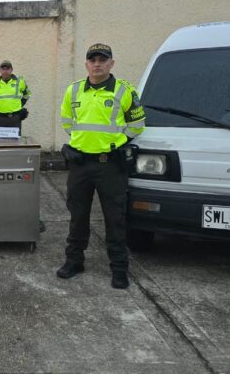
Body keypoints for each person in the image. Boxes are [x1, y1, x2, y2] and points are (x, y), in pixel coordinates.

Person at [57, 43, 146, 289]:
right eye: (92, 60)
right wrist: (78, 143)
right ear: (86, 64)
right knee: (78, 216)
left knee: (114, 218)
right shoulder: (73, 91)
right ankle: (74, 261)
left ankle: (119, 269)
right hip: (80, 165)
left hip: (111, 166)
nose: (97, 64)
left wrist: (118, 144)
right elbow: (67, 121)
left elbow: (138, 125)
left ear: (111, 63)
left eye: (102, 60)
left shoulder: (124, 91)